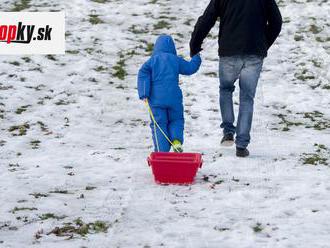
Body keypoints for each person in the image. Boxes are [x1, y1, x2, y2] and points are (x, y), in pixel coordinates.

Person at [190, 0, 282, 157]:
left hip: (229, 52)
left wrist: (195, 44)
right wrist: (263, 44)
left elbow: (207, 19)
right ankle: (241, 145)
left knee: (226, 89)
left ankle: (228, 131)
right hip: (254, 52)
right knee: (247, 98)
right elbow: (276, 21)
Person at [138, 35, 202, 152]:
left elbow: (143, 74)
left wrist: (144, 93)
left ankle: (162, 150)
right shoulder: (175, 60)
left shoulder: (152, 61)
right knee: (176, 120)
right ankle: (176, 141)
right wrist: (196, 57)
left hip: (156, 99)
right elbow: (190, 68)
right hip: (174, 98)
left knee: (159, 123)